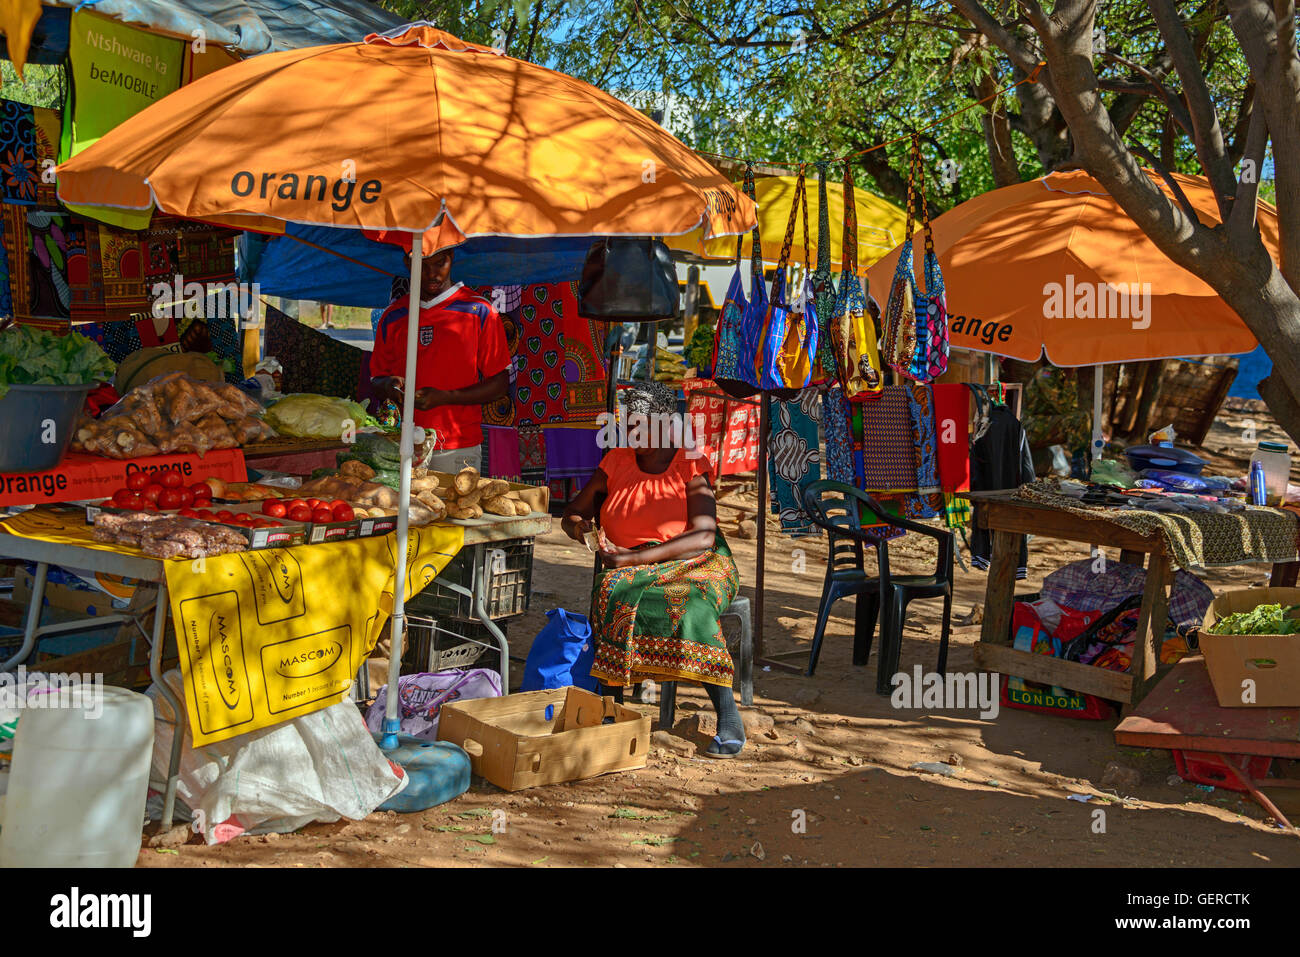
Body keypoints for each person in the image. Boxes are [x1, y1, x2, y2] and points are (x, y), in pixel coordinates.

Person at [561, 382, 745, 757]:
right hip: (630, 565)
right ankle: (612, 709)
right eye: (630, 423)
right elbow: (574, 513)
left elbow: (704, 535)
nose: (634, 432)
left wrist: (633, 560)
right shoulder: (616, 460)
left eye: (643, 424)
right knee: (614, 596)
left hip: (693, 561)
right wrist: (581, 528)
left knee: (689, 605)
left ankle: (727, 714)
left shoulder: (688, 461)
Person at [369, 247, 510, 473]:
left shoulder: (479, 311)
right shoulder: (393, 316)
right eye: (422, 266)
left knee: (455, 508)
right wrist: (388, 386)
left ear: (451, 258)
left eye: (439, 263)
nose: (432, 274)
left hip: (456, 445)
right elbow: (376, 379)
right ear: (407, 263)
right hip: (400, 443)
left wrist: (446, 397)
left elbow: (500, 383)